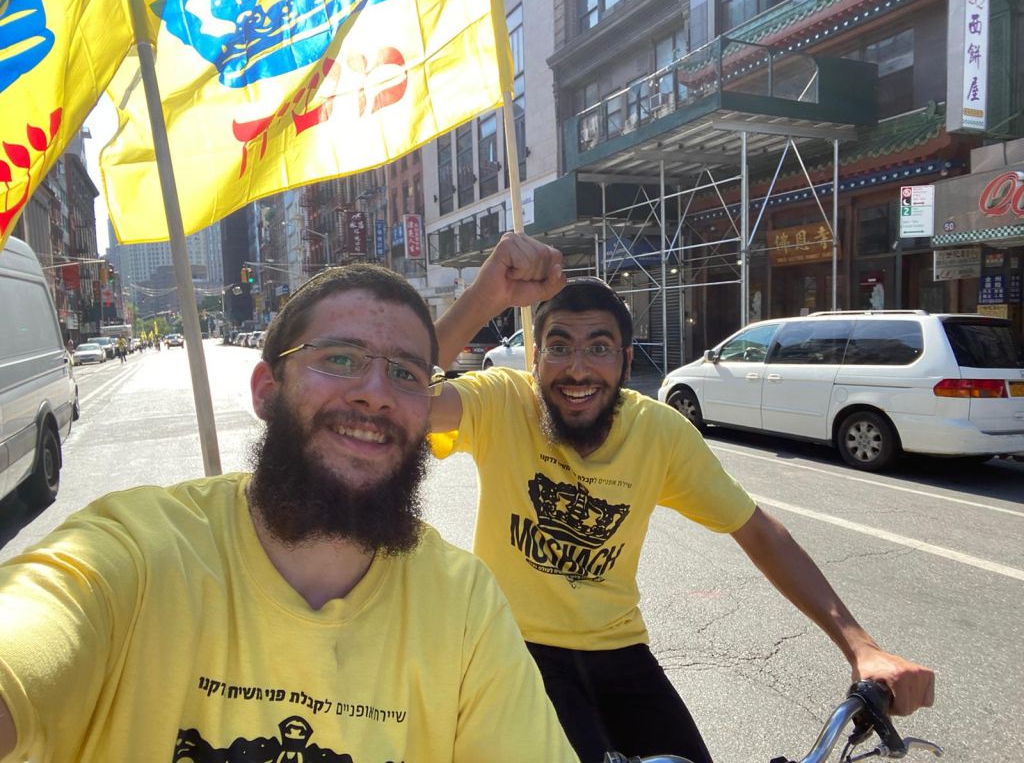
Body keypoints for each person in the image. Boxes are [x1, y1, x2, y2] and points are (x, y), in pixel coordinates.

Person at [0, 264, 579, 763]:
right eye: (340, 358)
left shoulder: (461, 601)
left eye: (405, 373)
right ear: (266, 390)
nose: (376, 392)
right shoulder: (132, 551)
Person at [429, 233, 936, 763]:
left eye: (598, 348)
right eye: (559, 347)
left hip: (620, 650)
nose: (577, 369)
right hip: (514, 647)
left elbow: (757, 530)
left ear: (626, 361)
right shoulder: (502, 402)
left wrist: (861, 646)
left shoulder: (659, 432)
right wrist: (485, 296)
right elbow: (403, 395)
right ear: (535, 359)